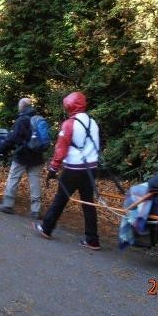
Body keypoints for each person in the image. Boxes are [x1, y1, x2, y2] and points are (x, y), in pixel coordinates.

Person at [32, 92, 101, 250]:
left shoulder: (69, 124)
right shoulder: (92, 122)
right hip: (91, 169)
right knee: (88, 203)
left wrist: (53, 168)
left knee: (60, 199)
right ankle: (93, 239)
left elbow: (61, 150)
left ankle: (46, 228)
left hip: (73, 169)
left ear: (69, 106)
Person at [0, 98, 44, 220]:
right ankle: (36, 210)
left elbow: (12, 138)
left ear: (21, 107)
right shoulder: (37, 119)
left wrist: (1, 149)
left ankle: (7, 205)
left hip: (22, 155)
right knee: (35, 182)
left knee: (13, 178)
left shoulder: (21, 120)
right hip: (37, 155)